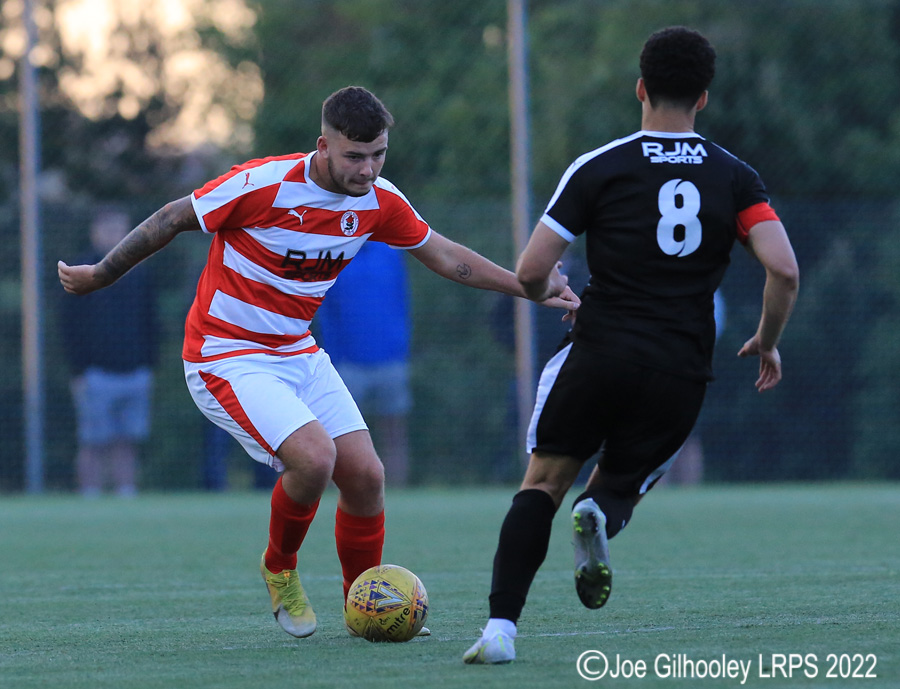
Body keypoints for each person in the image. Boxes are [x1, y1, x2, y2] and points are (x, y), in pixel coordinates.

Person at [58, 86, 579, 640]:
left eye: (378, 154)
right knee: (313, 459)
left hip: (296, 352)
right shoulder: (265, 183)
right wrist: (102, 274)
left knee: (366, 476)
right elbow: (169, 218)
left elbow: (446, 256)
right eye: (355, 156)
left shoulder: (379, 199)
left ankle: (367, 605)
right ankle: (279, 567)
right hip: (226, 355)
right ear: (323, 146)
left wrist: (529, 287)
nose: (369, 168)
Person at [463, 27, 799, 664]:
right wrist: (768, 339)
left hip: (598, 354)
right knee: (623, 483)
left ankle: (501, 630)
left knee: (541, 484)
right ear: (703, 98)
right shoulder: (735, 177)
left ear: (640, 88)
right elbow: (784, 270)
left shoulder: (600, 167)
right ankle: (603, 510)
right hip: (679, 368)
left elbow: (532, 271)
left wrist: (552, 285)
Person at [59, 206, 158, 497]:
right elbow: (69, 327)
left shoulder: (140, 274)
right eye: (110, 229)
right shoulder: (79, 272)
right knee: (93, 440)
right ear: (96, 232)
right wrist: (78, 371)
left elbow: (151, 321)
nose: (116, 235)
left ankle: (126, 493)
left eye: (121, 229)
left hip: (136, 372)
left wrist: (149, 365)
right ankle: (90, 494)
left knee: (128, 440)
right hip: (96, 374)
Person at [314, 241, 413, 486]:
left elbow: (402, 299)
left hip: (390, 359)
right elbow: (325, 309)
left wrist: (400, 344)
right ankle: (341, 489)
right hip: (347, 364)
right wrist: (333, 357)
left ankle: (397, 489)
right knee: (338, 434)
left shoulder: (389, 253)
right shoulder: (335, 254)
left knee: (394, 432)